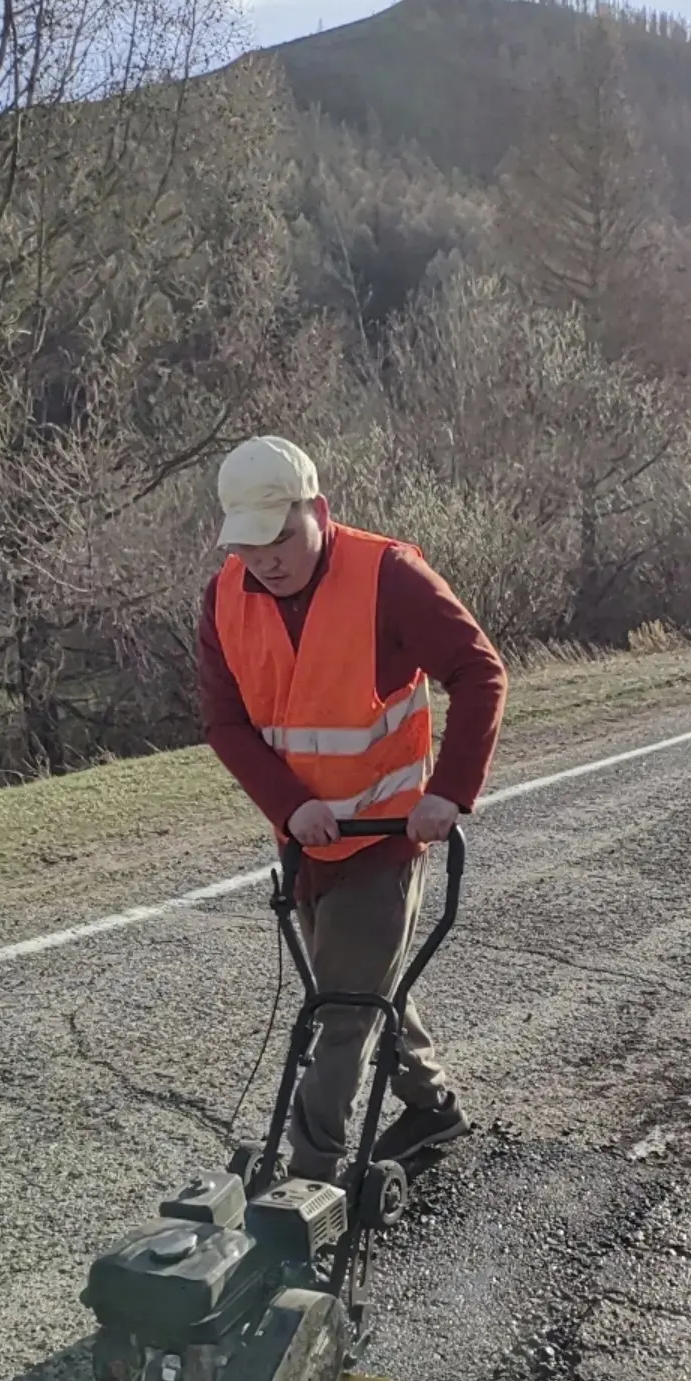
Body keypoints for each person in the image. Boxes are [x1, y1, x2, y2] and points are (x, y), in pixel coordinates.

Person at [197, 434, 508, 1181]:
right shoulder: (223, 599)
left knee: (342, 1008)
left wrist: (448, 791)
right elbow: (225, 723)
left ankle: (310, 1175)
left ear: (320, 510)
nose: (266, 560)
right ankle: (432, 1106)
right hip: (306, 840)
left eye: (281, 537)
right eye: (249, 545)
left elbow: (479, 673)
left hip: (387, 833)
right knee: (365, 985)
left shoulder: (389, 576)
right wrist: (289, 805)